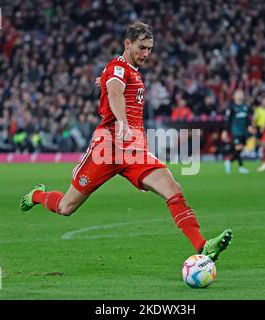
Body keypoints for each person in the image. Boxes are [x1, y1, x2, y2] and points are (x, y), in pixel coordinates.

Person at [20, 22, 232, 261]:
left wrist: (105, 84)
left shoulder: (124, 71)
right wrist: (121, 121)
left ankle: (203, 246)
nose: (146, 54)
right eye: (142, 48)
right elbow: (115, 93)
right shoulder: (118, 67)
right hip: (107, 147)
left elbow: (112, 87)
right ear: (127, 44)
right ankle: (38, 195)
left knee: (172, 189)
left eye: (150, 49)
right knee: (66, 207)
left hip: (133, 150)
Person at [221, 89, 254, 174]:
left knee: (240, 149)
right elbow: (227, 120)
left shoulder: (245, 107)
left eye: (241, 94)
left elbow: (247, 119)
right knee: (238, 147)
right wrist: (224, 131)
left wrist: (250, 126)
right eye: (238, 94)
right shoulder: (231, 107)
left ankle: (231, 162)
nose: (240, 95)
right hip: (235, 130)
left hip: (244, 131)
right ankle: (239, 166)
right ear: (234, 96)